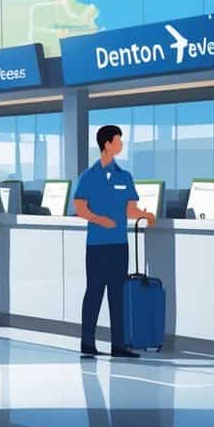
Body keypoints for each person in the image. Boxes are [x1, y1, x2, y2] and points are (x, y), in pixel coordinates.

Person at [73, 125, 156, 360]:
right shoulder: (88, 176)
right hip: (97, 246)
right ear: (107, 144)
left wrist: (145, 215)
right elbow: (80, 207)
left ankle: (118, 345)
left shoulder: (124, 176)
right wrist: (100, 220)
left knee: (118, 295)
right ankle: (87, 343)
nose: (121, 145)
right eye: (118, 141)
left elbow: (130, 209)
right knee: (94, 293)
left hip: (119, 245)